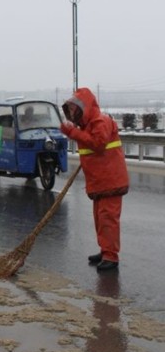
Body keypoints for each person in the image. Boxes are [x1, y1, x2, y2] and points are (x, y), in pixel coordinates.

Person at [60, 87, 129, 271]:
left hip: (110, 181)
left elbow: (98, 144)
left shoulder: (100, 121)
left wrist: (72, 133)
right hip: (100, 182)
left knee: (108, 219)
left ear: (86, 107)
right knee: (100, 219)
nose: (73, 112)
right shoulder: (88, 126)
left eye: (75, 108)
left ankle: (111, 256)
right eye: (71, 109)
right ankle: (105, 250)